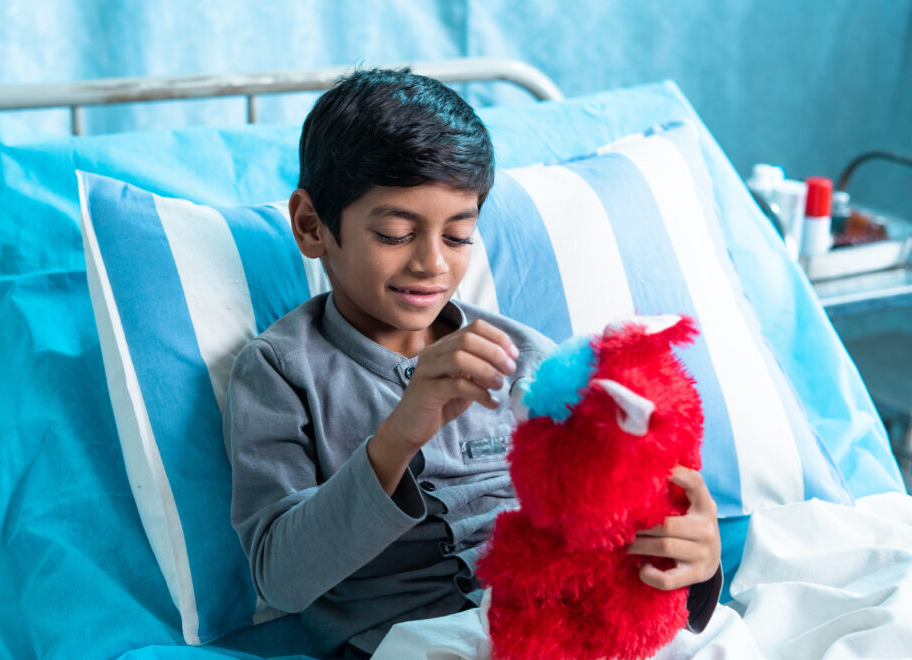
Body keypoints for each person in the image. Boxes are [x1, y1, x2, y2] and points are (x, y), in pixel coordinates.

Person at [224, 67, 722, 658]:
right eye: (394, 234)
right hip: (413, 640)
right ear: (312, 225)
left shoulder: (526, 358)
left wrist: (695, 559)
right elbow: (282, 579)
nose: (431, 263)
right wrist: (398, 436)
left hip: (559, 621)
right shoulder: (280, 372)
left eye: (458, 237)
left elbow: (601, 516)